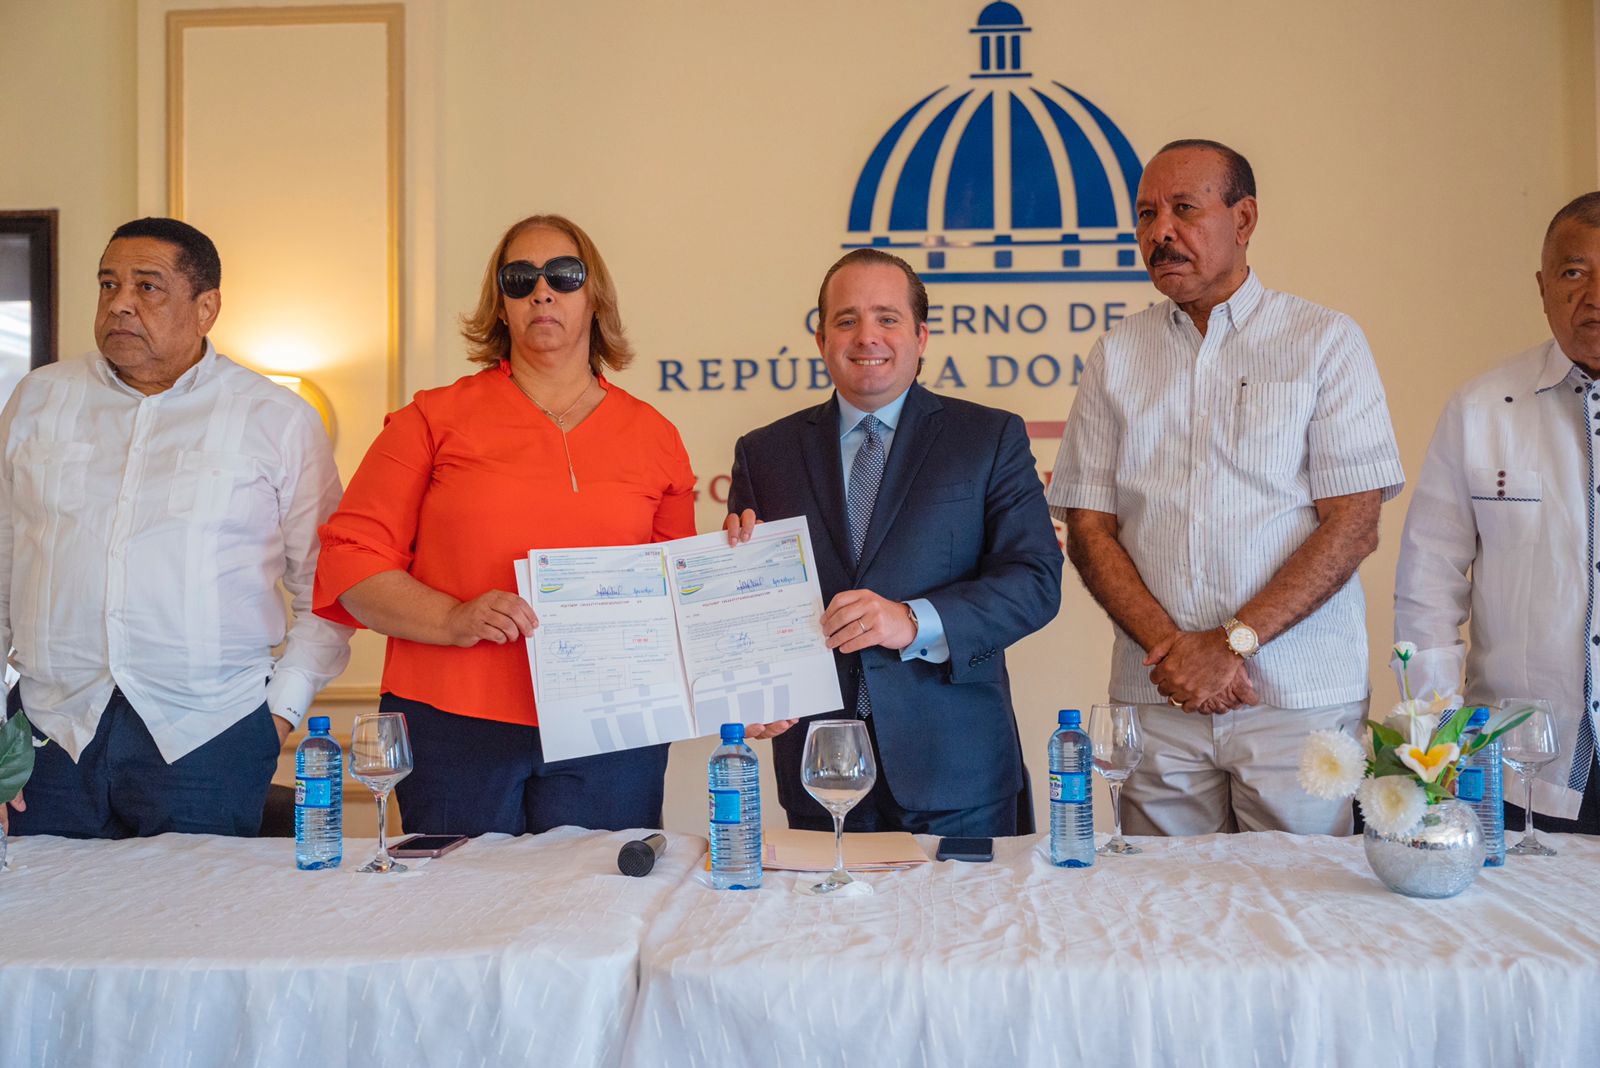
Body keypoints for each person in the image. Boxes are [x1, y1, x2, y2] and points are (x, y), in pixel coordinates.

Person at [315, 214, 765, 837]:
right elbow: (350, 560)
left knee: (597, 895)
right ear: (500, 305)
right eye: (520, 279)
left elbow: (673, 599)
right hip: (453, 722)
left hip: (615, 725)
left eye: (563, 275)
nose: (542, 292)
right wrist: (452, 618)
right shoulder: (431, 419)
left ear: (594, 296)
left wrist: (743, 674)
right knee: (458, 896)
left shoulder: (655, 435)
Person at [1050, 140, 1405, 836]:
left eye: (1184, 209)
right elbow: (1090, 528)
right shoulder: (1117, 355)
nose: (1161, 232)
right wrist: (1178, 655)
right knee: (1163, 900)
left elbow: (1353, 523)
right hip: (1159, 697)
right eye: (1146, 215)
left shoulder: (1323, 341)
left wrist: (1229, 645)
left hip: (1297, 700)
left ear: (1243, 220)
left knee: (1300, 900)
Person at [0, 217, 352, 838]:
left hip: (209, 733)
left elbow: (328, 585)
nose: (120, 303)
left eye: (148, 286)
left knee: (198, 904)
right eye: (108, 284)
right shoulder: (38, 400)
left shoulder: (276, 418)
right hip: (49, 730)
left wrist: (277, 715)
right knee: (40, 901)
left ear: (206, 307)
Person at [724, 249, 1062, 837]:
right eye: (846, 320)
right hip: (820, 771)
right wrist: (750, 686)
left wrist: (912, 620)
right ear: (821, 339)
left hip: (958, 771)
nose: (867, 337)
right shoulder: (764, 453)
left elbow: (1035, 581)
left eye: (887, 318)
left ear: (920, 335)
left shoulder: (988, 437)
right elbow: (746, 604)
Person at [1394, 192, 1600, 835]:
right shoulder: (1482, 409)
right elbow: (1428, 586)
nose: (1594, 296)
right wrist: (1438, 736)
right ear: (1542, 287)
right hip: (1524, 761)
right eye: (1574, 272)